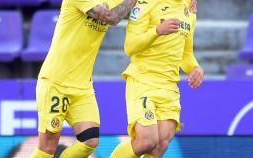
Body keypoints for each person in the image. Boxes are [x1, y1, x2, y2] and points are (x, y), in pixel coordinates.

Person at [31, 0, 137, 157]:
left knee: (90, 141)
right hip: (56, 81)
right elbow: (111, 17)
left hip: (83, 86)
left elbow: (141, 12)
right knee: (48, 146)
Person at [110, 0, 203, 157]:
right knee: (146, 141)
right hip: (143, 80)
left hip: (169, 86)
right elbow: (129, 46)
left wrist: (195, 68)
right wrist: (157, 31)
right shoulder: (146, 3)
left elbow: (186, 53)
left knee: (160, 146)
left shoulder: (189, 8)